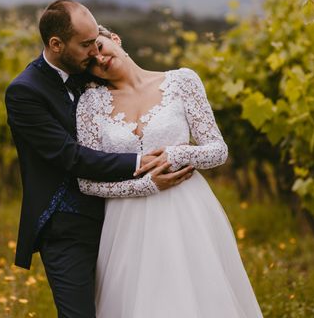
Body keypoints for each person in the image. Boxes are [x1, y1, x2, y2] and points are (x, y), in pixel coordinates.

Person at [4, 0, 193, 318]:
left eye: (97, 41)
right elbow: (70, 156)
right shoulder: (25, 92)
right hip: (68, 226)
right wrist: (141, 164)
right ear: (56, 44)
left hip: (123, 216)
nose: (95, 52)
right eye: (86, 44)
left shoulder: (88, 71)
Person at [75, 26, 264, 317]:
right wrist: (145, 185)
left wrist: (177, 153)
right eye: (89, 62)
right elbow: (87, 182)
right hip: (125, 222)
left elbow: (218, 150)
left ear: (114, 39)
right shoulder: (90, 104)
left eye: (99, 48)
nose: (98, 60)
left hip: (186, 211)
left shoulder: (182, 81)